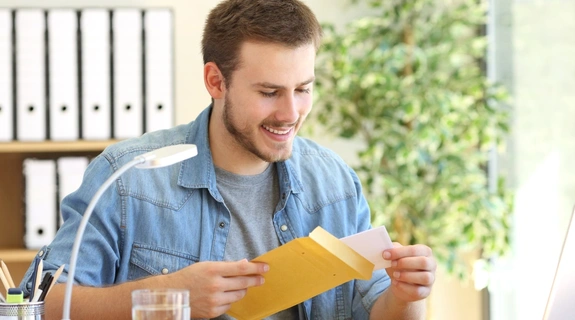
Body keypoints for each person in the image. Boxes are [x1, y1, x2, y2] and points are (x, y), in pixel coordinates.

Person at [19, 0, 436, 319]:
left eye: (303, 89)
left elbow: (376, 308)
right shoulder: (128, 178)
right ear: (216, 81)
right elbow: (39, 303)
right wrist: (170, 298)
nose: (291, 114)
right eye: (269, 92)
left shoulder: (334, 182)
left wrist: (406, 295)